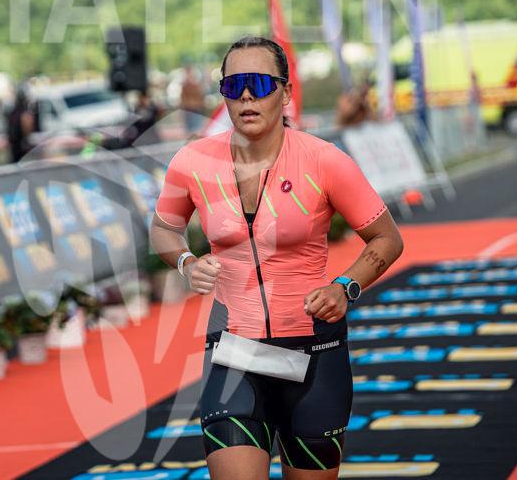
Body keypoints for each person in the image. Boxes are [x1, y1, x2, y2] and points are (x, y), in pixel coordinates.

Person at [149, 36, 403, 480]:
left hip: (314, 354)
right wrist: (187, 262)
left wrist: (345, 287)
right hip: (234, 354)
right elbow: (163, 228)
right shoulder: (192, 161)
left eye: (261, 83)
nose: (247, 96)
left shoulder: (325, 161)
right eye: (234, 85)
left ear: (285, 92)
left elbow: (386, 238)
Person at [7, 85, 38, 163]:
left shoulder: (13, 113)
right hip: (22, 153)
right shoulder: (25, 114)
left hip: (15, 152)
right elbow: (27, 132)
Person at [179, 62, 206, 135]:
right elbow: (183, 99)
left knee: (196, 129)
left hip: (195, 109)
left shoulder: (195, 84)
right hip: (189, 109)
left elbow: (200, 96)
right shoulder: (185, 85)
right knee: (191, 129)